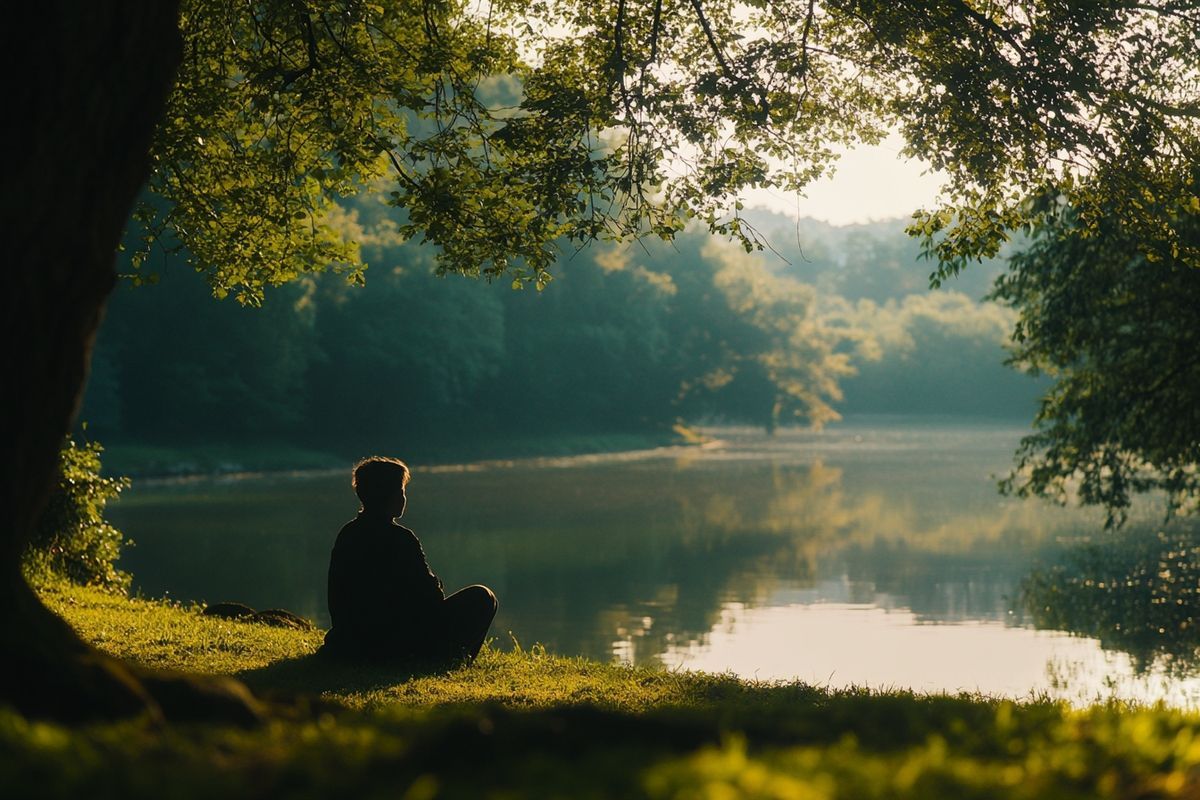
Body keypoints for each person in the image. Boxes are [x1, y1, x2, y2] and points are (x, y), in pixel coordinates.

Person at [322, 456, 497, 665]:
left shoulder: (347, 534)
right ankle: (456, 660)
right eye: (402, 492)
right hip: (398, 644)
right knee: (483, 597)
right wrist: (436, 583)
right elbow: (432, 597)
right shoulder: (401, 539)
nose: (404, 498)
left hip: (351, 643)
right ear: (391, 496)